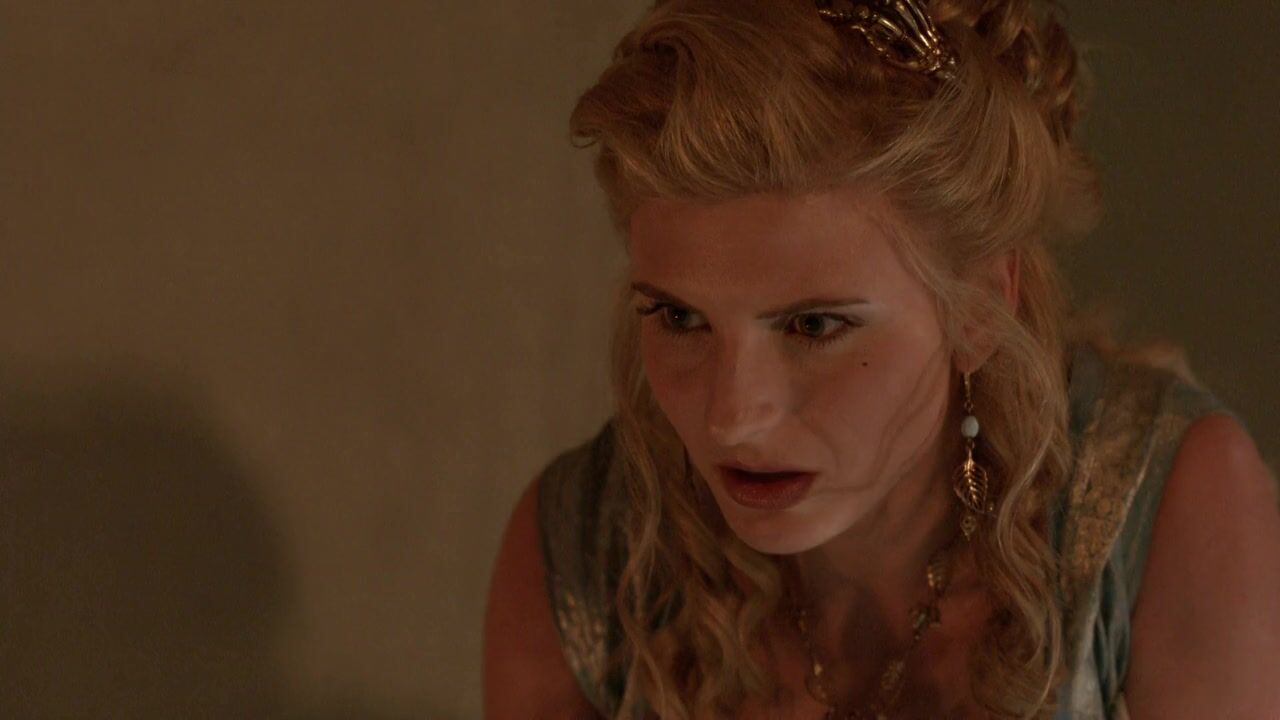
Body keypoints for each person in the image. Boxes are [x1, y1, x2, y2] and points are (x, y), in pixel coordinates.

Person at [483, 0, 1280, 717]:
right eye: (680, 318)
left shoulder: (1169, 508)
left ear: (978, 308)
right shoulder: (581, 559)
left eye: (814, 326)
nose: (733, 415)